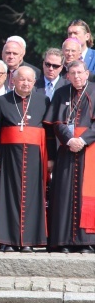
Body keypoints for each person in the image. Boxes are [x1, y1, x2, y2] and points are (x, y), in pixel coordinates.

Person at [0, 66, 49, 252]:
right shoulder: (2, 101)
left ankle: (29, 241)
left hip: (34, 158)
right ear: (13, 81)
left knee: (32, 197)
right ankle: (7, 240)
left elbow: (49, 134)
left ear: (34, 83)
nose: (25, 83)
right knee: (7, 196)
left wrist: (51, 159)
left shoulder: (43, 101)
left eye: (29, 80)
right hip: (8, 157)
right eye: (22, 79)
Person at [43, 60, 95, 253]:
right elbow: (56, 122)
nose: (77, 77)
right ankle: (63, 240)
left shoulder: (94, 91)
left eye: (80, 73)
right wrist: (69, 139)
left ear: (87, 73)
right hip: (66, 149)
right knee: (64, 193)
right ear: (67, 75)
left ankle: (86, 241)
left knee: (86, 194)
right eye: (72, 73)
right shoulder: (61, 93)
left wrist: (83, 140)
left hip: (90, 151)